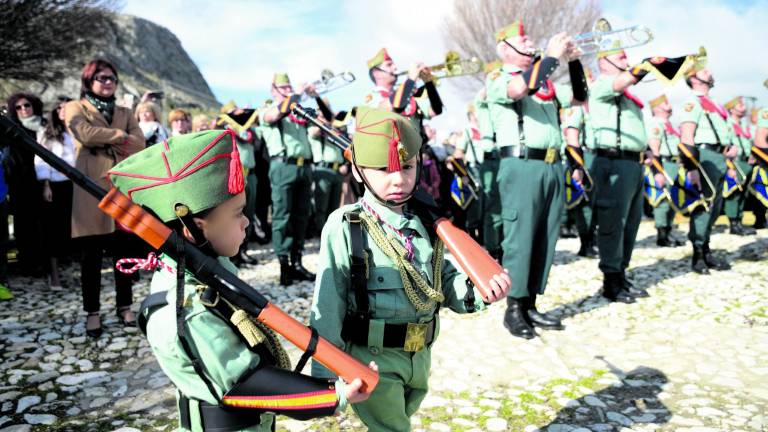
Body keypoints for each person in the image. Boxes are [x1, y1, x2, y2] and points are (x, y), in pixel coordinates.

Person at [108, 129, 373, 431]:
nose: (247, 221)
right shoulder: (185, 311)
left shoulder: (209, 269)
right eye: (237, 213)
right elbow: (245, 384)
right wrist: (334, 394)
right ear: (193, 228)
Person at [310, 107, 510, 431]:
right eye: (383, 170)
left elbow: (440, 280)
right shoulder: (346, 225)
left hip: (419, 357)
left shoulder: (425, 222)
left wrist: (480, 292)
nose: (398, 180)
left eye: (407, 167)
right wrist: (323, 379)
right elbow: (328, 304)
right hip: (373, 359)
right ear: (358, 171)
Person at [486, 20, 584, 339]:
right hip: (521, 165)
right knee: (520, 236)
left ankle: (530, 303)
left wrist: (574, 61)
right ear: (505, 49)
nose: (530, 44)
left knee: (545, 235)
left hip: (552, 166)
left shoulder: (544, 83)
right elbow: (518, 89)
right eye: (522, 40)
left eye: (530, 40)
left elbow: (581, 97)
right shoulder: (498, 78)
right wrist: (551, 59)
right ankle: (514, 307)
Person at [588, 40, 685, 300]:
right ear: (603, 63)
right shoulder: (601, 86)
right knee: (613, 222)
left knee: (631, 223)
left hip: (633, 162)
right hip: (611, 162)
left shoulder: (628, 96)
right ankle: (611, 280)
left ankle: (620, 273)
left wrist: (648, 150)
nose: (625, 61)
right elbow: (621, 82)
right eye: (619, 58)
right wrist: (645, 67)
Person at [64, 58, 145, 337]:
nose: (107, 82)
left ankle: (125, 306)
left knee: (124, 250)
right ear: (89, 80)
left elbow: (140, 143)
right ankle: (92, 312)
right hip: (89, 188)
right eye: (101, 77)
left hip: (121, 187)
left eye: (112, 78)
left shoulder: (125, 110)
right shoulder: (76, 107)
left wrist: (113, 138)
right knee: (92, 255)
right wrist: (121, 136)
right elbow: (83, 133)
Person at [259, 73, 321, 285]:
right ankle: (284, 265)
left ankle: (297, 262)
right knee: (282, 216)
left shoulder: (296, 111)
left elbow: (317, 128)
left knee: (301, 216)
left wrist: (315, 98)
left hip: (304, 167)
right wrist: (297, 93)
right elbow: (274, 115)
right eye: (283, 88)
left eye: (289, 87)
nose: (287, 90)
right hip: (283, 166)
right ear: (273, 90)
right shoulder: (268, 109)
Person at [678, 63, 733, 274]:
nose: (710, 72)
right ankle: (698, 254)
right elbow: (687, 135)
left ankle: (707, 248)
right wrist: (691, 167)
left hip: (718, 156)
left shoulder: (714, 103)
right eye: (704, 71)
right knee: (704, 205)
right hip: (703, 155)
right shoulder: (692, 102)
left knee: (715, 206)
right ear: (693, 78)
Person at [35, 98, 76, 290]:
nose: (63, 111)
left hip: (78, 185)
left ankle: (75, 271)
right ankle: (54, 275)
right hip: (56, 185)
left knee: (74, 228)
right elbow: (41, 160)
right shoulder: (47, 132)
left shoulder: (78, 130)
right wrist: (45, 184)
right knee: (54, 229)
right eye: (60, 108)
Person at [4, 92, 45, 276]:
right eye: (19, 107)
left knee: (42, 224)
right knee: (23, 225)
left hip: (43, 182)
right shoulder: (10, 129)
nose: (24, 110)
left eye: (27, 105)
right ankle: (28, 263)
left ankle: (45, 261)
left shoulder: (44, 126)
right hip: (20, 184)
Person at [363, 48, 443, 138]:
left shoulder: (406, 95)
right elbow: (392, 106)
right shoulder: (372, 97)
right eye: (389, 65)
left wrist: (428, 81)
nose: (395, 67)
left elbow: (436, 110)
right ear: (377, 73)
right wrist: (411, 79)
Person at [645, 94, 685, 247]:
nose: (669, 105)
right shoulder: (655, 124)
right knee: (662, 200)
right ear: (656, 108)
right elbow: (654, 149)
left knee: (673, 200)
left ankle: (668, 232)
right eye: (665, 103)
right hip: (664, 164)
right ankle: (662, 236)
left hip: (675, 164)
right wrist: (658, 172)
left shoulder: (670, 125)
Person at [723, 96, 756, 235]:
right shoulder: (727, 124)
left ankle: (739, 221)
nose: (744, 107)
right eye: (740, 105)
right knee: (733, 193)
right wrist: (729, 166)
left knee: (743, 194)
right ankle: (733, 224)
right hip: (734, 163)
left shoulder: (744, 125)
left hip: (746, 161)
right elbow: (725, 148)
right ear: (732, 109)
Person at [310, 108, 346, 231]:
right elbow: (316, 132)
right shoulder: (314, 128)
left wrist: (346, 164)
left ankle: (332, 233)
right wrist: (325, 120)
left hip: (337, 171)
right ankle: (321, 234)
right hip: (323, 170)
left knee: (334, 207)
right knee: (321, 207)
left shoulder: (335, 129)